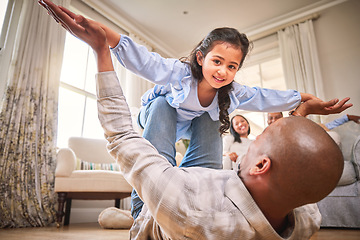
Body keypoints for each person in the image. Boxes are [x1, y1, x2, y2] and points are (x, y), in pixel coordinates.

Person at [38, 1, 354, 238]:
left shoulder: (232, 91)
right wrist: (103, 36)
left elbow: (263, 96)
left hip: (193, 124)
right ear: (201, 58)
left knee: (213, 118)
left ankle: (195, 195)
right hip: (160, 113)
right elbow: (144, 59)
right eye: (217, 61)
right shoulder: (179, 74)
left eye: (232, 66)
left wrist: (299, 99)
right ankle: (142, 213)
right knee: (163, 107)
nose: (223, 71)